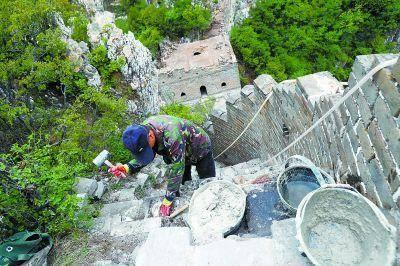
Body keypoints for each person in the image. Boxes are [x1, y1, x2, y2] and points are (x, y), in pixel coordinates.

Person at [108, 115, 216, 216]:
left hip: (200, 149)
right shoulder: (141, 133)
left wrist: (168, 198)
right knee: (184, 181)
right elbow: (148, 153)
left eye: (146, 149)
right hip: (178, 153)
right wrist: (127, 167)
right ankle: (187, 198)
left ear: (150, 135)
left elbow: (177, 167)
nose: (146, 151)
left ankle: (213, 203)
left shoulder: (172, 134)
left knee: (208, 182)